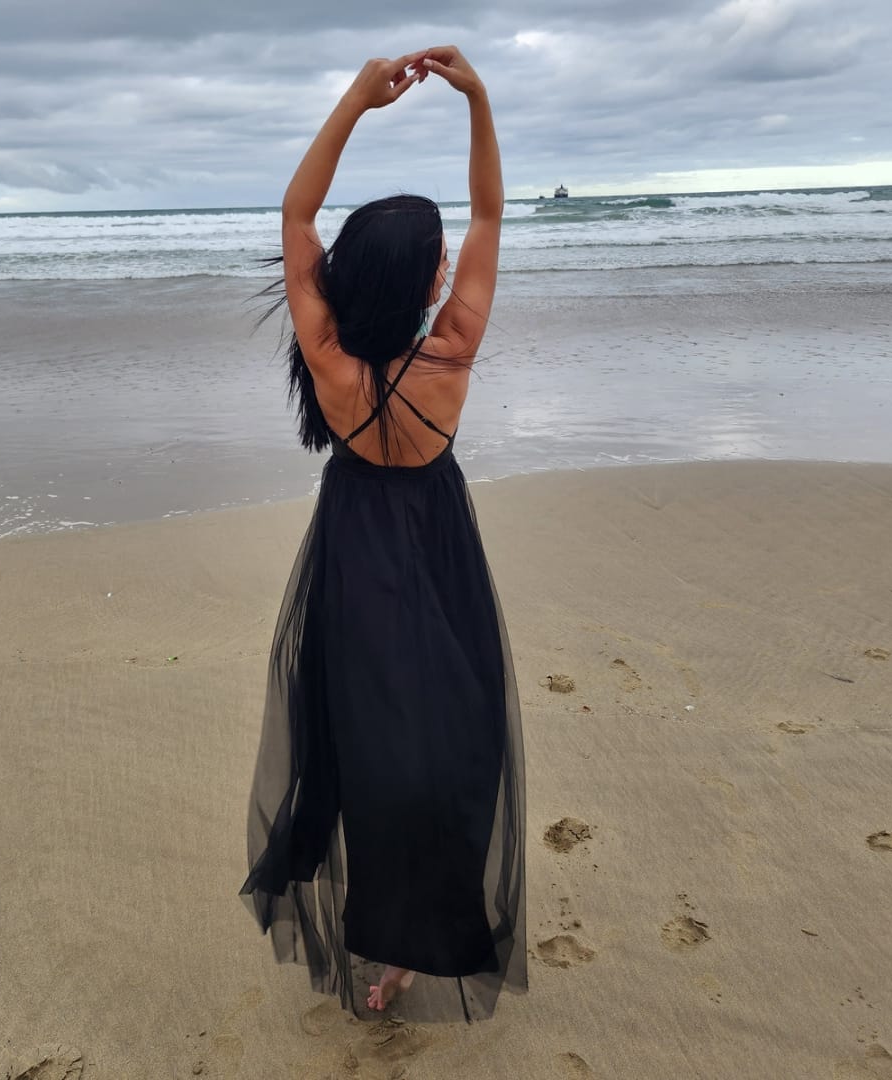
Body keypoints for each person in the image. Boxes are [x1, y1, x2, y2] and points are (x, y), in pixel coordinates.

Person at [241, 46, 526, 1023]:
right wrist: (476, 101)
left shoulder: (329, 356)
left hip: (354, 543)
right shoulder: (451, 353)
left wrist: (357, 102)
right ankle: (415, 936)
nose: (451, 259)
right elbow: (490, 214)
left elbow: (296, 216)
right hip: (439, 548)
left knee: (362, 740)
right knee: (449, 740)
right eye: (441, 255)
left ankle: (385, 926)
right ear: (424, 280)